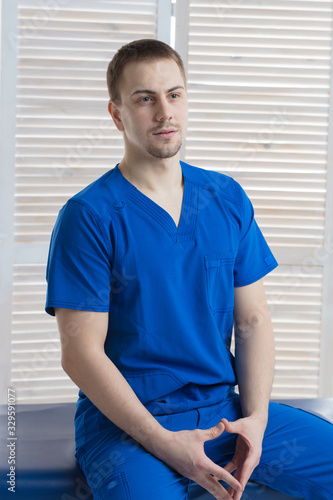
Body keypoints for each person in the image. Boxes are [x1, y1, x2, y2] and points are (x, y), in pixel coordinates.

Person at [45, 39, 333, 500]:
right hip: (129, 431)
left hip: (223, 410)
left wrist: (255, 421)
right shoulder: (90, 215)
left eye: (175, 95)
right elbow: (81, 354)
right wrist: (164, 443)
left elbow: (253, 320)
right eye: (145, 99)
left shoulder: (226, 197)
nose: (165, 112)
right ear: (117, 114)